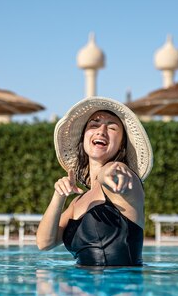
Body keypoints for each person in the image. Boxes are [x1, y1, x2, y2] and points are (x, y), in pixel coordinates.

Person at [36, 97, 153, 266]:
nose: (101, 130)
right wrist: (58, 195)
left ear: (121, 145)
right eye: (94, 124)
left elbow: (113, 171)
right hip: (81, 288)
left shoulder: (123, 178)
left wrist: (105, 175)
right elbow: (44, 243)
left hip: (121, 288)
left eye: (112, 127)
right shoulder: (77, 202)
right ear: (84, 138)